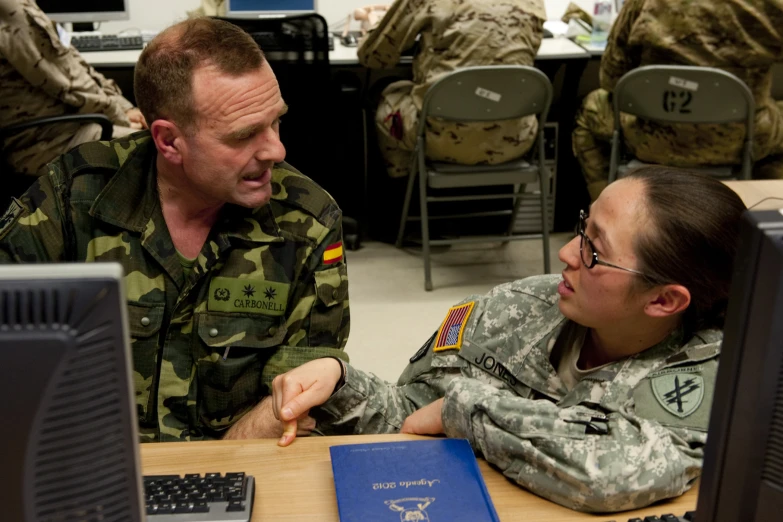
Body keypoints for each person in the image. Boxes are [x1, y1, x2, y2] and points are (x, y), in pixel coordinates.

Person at [270, 167, 746, 513]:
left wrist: (468, 410)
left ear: (664, 301)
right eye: (582, 227)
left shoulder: (715, 376)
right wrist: (341, 382)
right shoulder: (517, 307)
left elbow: (613, 474)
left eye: (594, 250)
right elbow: (410, 416)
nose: (565, 253)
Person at [0, 17, 350, 442]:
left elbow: (298, 395)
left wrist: (217, 472)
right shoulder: (74, 195)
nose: (276, 149)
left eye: (275, 121)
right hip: (90, 475)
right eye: (244, 135)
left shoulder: (307, 222)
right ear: (168, 141)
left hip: (237, 471)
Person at [573, 0, 783, 201]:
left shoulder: (642, 3)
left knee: (591, 108)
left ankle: (605, 211)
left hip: (651, 137)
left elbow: (611, 77)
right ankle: (763, 215)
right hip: (741, 139)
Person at [358, 0, 547, 178]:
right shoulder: (534, 3)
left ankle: (405, 193)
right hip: (515, 138)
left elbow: (373, 56)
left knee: (388, 96)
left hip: (439, 138)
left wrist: (371, 23)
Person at [0, 0, 146, 175]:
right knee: (163, 149)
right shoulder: (11, 7)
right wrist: (122, 117)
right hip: (46, 143)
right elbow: (70, 85)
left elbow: (72, 63)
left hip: (68, 126)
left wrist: (124, 107)